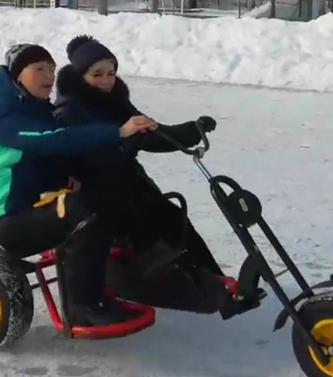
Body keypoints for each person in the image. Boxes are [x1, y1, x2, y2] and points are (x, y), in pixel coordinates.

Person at [0, 43, 157, 326]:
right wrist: (119, 131)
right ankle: (82, 306)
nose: (48, 76)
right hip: (2, 218)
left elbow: (45, 155)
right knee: (81, 214)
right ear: (18, 75)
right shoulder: (5, 116)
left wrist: (64, 175)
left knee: (103, 199)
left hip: (30, 205)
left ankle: (110, 286)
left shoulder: (36, 109)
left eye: (51, 69)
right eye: (39, 69)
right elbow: (55, 139)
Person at [52, 35, 225, 278]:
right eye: (97, 74)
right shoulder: (69, 112)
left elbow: (153, 134)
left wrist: (192, 130)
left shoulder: (116, 103)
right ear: (81, 76)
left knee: (175, 221)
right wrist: (129, 140)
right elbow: (94, 159)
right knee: (147, 231)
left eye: (111, 73)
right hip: (94, 196)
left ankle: (216, 282)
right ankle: (170, 284)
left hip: (130, 187)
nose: (106, 81)